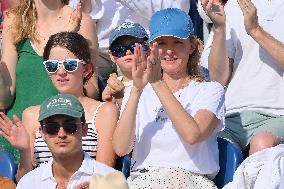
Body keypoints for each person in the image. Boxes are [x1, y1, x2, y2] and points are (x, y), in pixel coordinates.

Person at [112, 5, 227, 188]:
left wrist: (158, 83)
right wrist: (135, 90)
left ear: (192, 46)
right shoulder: (138, 90)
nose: (169, 51)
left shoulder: (210, 90)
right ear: (151, 49)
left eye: (177, 42)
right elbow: (121, 148)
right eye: (162, 44)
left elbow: (192, 135)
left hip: (190, 180)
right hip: (143, 180)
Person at [0, 32, 118, 181]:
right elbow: (25, 181)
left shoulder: (104, 112)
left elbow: (104, 174)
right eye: (52, 66)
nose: (61, 72)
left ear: (86, 69)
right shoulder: (32, 116)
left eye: (69, 65)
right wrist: (24, 151)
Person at [0, 0, 99, 162]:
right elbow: (3, 99)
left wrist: (67, 44)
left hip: (57, 137)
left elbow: (92, 90)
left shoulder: (82, 21)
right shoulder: (14, 21)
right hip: (14, 138)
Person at [207, 0, 284, 155]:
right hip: (232, 115)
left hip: (277, 113)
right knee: (206, 150)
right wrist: (219, 27)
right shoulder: (232, 7)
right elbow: (218, 79)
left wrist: (256, 30)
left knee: (262, 144)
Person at [7, 94, 114, 189]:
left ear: (84, 129)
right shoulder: (29, 183)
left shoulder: (109, 181)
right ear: (42, 133)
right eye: (52, 127)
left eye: (70, 126)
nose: (61, 134)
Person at [69, 0, 191, 81]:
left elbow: (175, 17)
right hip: (99, 49)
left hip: (145, 48)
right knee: (77, 74)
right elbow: (81, 18)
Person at [102, 22, 149, 109]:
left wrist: (120, 97)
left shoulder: (155, 81)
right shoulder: (112, 87)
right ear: (111, 55)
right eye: (120, 49)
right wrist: (108, 102)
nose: (127, 52)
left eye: (134, 47)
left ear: (147, 49)